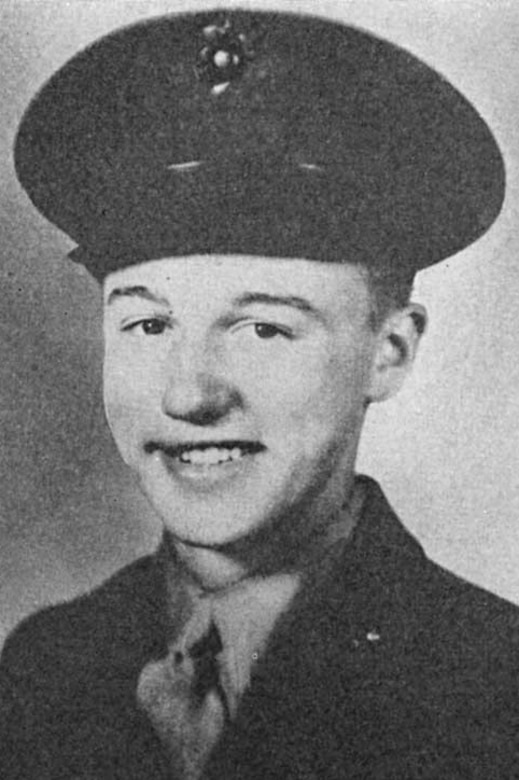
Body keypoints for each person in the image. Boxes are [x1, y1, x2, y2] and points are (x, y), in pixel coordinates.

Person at [1, 8, 518, 779]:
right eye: (146, 325)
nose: (188, 393)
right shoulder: (45, 666)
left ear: (390, 352)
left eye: (263, 331)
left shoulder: (489, 684)